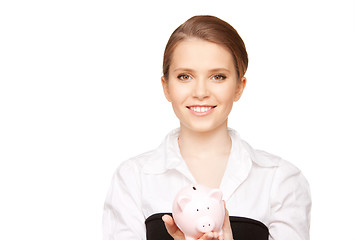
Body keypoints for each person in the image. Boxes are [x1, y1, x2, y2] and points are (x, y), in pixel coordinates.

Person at [103, 15, 311, 240]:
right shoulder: (133, 178)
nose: (200, 92)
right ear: (166, 87)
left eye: (218, 76)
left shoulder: (280, 180)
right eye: (185, 76)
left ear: (239, 87)